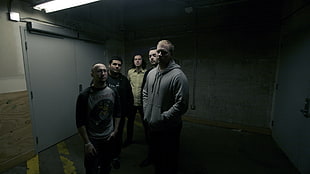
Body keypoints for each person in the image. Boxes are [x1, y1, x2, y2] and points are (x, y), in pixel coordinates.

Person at [143, 40, 189, 174]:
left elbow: (181, 104)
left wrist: (162, 118)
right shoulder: (151, 73)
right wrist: (147, 112)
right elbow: (145, 93)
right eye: (158, 51)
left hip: (169, 127)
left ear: (171, 54)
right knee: (157, 158)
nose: (160, 54)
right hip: (153, 125)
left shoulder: (178, 76)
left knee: (169, 160)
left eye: (164, 52)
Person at [76, 63, 121, 174]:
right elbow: (80, 121)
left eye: (105, 71)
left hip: (108, 138)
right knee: (91, 168)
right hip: (93, 139)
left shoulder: (113, 92)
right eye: (99, 71)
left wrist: (115, 131)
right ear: (92, 74)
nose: (103, 73)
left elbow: (117, 113)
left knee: (106, 166)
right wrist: (87, 143)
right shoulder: (84, 95)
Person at [106, 56, 134, 169]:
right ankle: (105, 156)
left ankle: (116, 156)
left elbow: (129, 97)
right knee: (105, 136)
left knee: (117, 136)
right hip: (105, 115)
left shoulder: (124, 80)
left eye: (119, 65)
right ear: (109, 65)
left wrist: (128, 112)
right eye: (115, 64)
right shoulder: (104, 78)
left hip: (119, 115)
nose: (117, 66)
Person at [139, 47, 159, 168]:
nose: (151, 58)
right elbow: (144, 92)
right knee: (150, 136)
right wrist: (145, 110)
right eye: (150, 56)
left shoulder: (167, 72)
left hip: (161, 111)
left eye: (154, 55)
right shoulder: (148, 73)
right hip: (149, 110)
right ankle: (151, 156)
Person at [127, 54, 146, 147]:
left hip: (143, 103)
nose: (137, 61)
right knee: (130, 123)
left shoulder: (146, 73)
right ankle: (129, 140)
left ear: (142, 61)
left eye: (139, 59)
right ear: (133, 61)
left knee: (146, 123)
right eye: (135, 59)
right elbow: (128, 86)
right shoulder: (130, 72)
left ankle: (149, 140)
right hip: (132, 103)